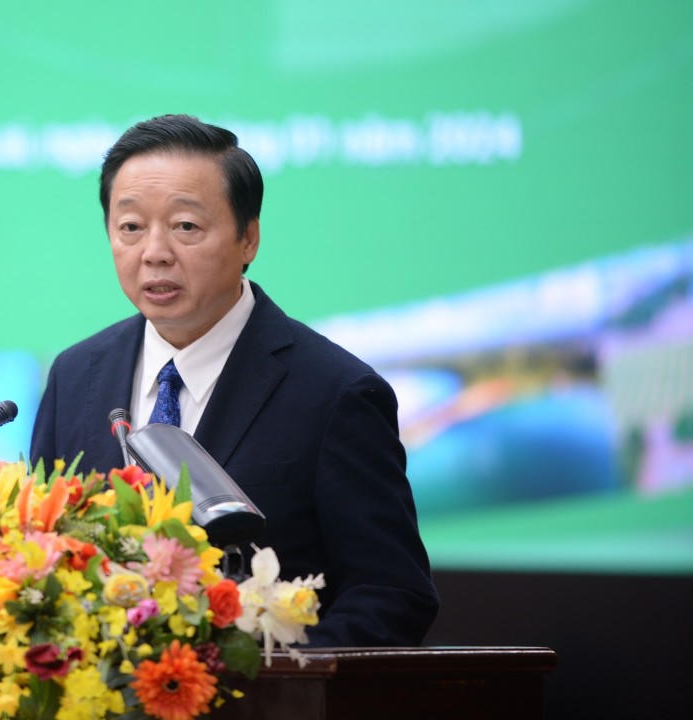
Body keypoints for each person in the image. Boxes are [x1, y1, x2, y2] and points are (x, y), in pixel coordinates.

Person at [29, 114, 438, 646]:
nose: (154, 252)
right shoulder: (76, 376)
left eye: (186, 227)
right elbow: (41, 555)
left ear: (248, 238)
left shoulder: (336, 393)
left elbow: (392, 593)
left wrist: (263, 674)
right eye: (131, 227)